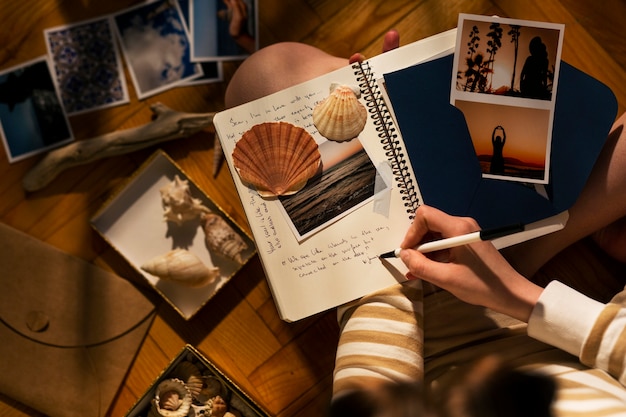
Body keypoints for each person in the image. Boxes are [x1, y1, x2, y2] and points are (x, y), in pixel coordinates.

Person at [224, 30, 626, 416]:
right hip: (544, 314)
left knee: (266, 73)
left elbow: (375, 395)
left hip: (428, 347)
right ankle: (575, 228)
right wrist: (516, 294)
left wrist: (387, 256)